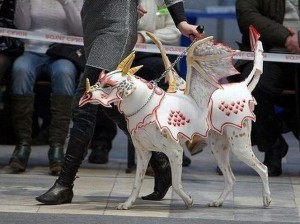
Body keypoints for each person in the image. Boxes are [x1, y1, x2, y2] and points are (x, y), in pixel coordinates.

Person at [36, 0, 203, 205]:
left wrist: (181, 22)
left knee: (85, 102)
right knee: (111, 104)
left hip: (117, 29)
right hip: (92, 22)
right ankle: (160, 161)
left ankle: (64, 184)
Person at [87, 0, 201, 167]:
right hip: (116, 50)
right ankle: (101, 143)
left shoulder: (163, 2)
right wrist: (133, 26)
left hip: (150, 52)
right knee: (105, 80)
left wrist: (143, 36)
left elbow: (174, 32)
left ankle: (170, 143)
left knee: (162, 73)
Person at [8, 0, 83, 174]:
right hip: (32, 49)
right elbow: (22, 26)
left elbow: (78, 30)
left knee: (65, 73)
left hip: (63, 52)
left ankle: (57, 147)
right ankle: (22, 145)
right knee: (20, 69)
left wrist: (66, 2)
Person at [231, 0, 300, 176]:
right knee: (255, 87)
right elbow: (247, 17)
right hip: (267, 53)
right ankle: (272, 144)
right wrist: (287, 37)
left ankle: (287, 122)